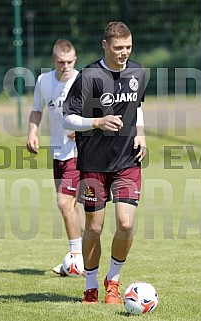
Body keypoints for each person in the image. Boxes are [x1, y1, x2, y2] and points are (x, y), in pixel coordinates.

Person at [63, 21, 147, 304]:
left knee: (125, 224)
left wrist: (142, 136)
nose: (124, 53)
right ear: (105, 45)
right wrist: (97, 121)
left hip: (127, 160)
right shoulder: (88, 76)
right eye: (118, 47)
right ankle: (90, 285)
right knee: (95, 228)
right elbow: (67, 118)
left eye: (128, 47)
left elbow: (137, 107)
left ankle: (113, 279)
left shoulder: (137, 71)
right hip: (93, 163)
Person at [26, 39, 84, 276]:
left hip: (79, 153)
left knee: (64, 203)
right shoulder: (44, 81)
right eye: (61, 62)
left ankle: (76, 257)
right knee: (72, 206)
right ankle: (82, 256)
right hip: (57, 152)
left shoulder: (83, 80)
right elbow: (37, 109)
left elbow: (97, 112)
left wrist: (80, 127)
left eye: (70, 61)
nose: (66, 66)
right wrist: (32, 131)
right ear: (54, 61)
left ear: (75, 60)